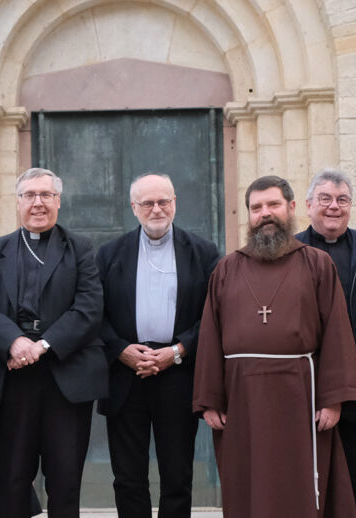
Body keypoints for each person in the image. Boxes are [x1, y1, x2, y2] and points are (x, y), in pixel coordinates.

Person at [192, 175, 356, 518]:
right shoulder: (227, 268)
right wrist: (209, 400)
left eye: (273, 205)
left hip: (301, 394)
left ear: (292, 208)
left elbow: (336, 332)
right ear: (248, 216)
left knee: (298, 484)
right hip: (242, 397)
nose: (264, 213)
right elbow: (210, 335)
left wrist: (332, 399)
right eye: (256, 208)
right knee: (248, 484)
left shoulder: (316, 263)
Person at [0, 167, 107, 518]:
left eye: (46, 195)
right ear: (18, 202)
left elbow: (89, 308)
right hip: (11, 382)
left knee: (65, 481)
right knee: (11, 479)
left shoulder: (82, 250)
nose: (38, 203)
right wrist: (13, 342)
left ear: (58, 201)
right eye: (30, 195)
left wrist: (41, 346)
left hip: (65, 378)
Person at [97, 173, 220, 518]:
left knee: (178, 474)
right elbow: (93, 314)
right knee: (128, 477)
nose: (156, 209)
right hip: (125, 376)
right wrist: (121, 349)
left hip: (178, 375)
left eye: (163, 201)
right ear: (133, 207)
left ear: (175, 203)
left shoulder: (202, 252)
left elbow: (213, 315)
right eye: (147, 203)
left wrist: (178, 351)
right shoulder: (109, 255)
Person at [295, 169, 356, 518]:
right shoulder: (289, 252)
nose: (333, 206)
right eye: (324, 199)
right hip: (303, 389)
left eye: (342, 200)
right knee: (307, 484)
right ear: (308, 205)